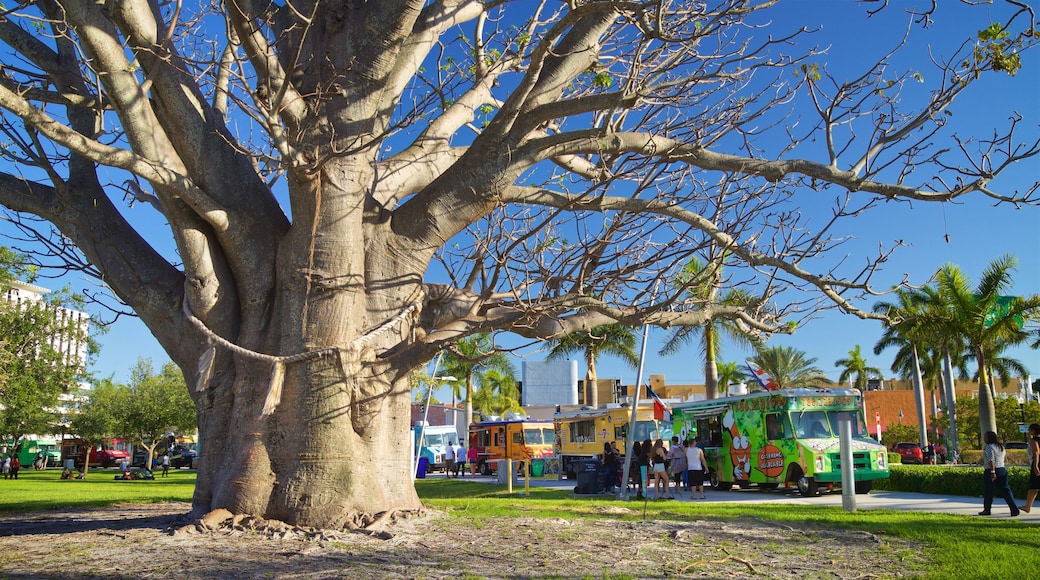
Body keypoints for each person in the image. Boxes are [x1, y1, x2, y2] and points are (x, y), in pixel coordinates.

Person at [979, 430, 1019, 517]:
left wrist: (992, 472)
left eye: (985, 437)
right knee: (1006, 490)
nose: (984, 438)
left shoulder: (989, 447)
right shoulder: (1000, 447)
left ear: (989, 438)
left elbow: (991, 460)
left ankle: (987, 509)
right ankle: (1014, 509)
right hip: (1001, 469)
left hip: (991, 470)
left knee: (989, 491)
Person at [1020, 423, 1040, 514]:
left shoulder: (1033, 441)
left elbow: (1036, 452)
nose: (1028, 431)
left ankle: (1027, 506)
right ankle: (1027, 506)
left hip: (1037, 464)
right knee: (1035, 487)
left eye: (1029, 430)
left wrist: (1035, 466)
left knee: (1033, 487)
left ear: (1033, 431)